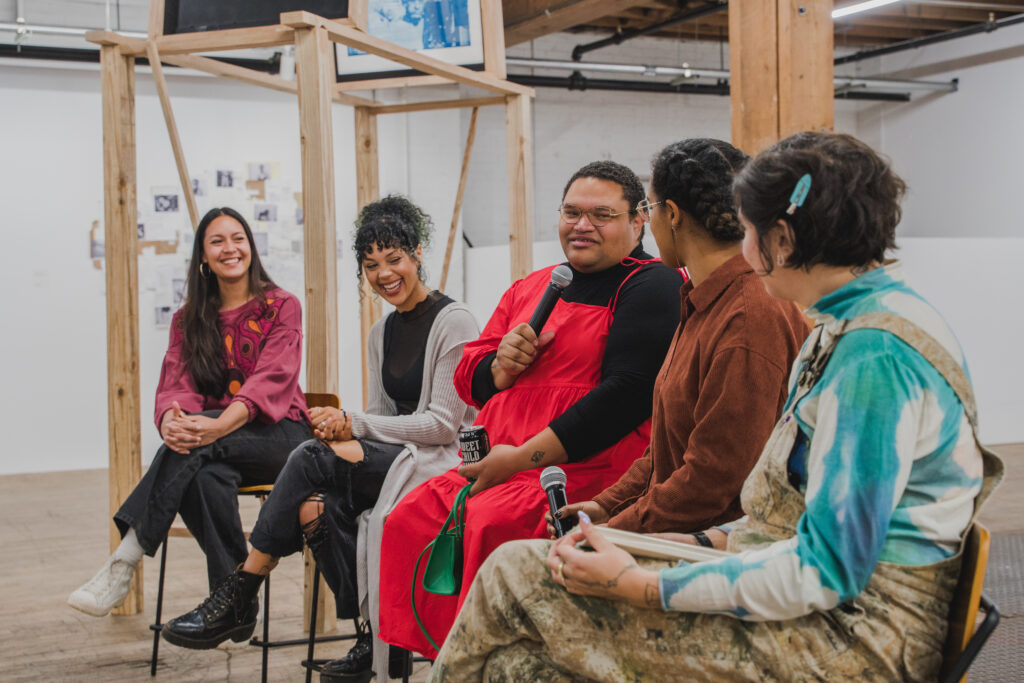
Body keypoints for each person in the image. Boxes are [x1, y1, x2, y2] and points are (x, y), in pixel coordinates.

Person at [429, 132, 1004, 681]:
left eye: (747, 228)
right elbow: (788, 517)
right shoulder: (847, 326)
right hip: (814, 602)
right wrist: (688, 543)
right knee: (513, 666)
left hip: (853, 642)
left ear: (781, 238)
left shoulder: (874, 355)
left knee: (513, 575)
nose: (741, 244)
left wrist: (643, 583)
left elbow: (825, 572)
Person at [377, 161, 684, 665]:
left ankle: (501, 664)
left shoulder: (651, 285)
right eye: (571, 213)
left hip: (578, 467)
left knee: (491, 526)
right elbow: (469, 371)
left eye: (602, 215)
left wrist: (521, 459)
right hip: (498, 465)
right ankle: (449, 661)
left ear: (640, 220)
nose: (582, 226)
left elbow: (625, 396)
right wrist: (500, 368)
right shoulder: (536, 285)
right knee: (409, 517)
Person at [159, 196, 479, 679]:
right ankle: (373, 640)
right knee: (315, 506)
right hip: (400, 457)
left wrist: (354, 423)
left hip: (443, 461)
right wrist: (353, 425)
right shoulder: (382, 332)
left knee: (310, 456)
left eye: (394, 260)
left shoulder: (453, 321)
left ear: (416, 254)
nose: (384, 274)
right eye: (371, 265)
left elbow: (442, 426)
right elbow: (381, 416)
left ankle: (240, 590)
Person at [549, 139, 809, 540]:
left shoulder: (745, 319)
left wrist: (612, 533)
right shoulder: (703, 299)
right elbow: (669, 449)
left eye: (648, 210)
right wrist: (607, 506)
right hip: (680, 530)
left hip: (716, 552)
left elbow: (711, 483)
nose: (649, 223)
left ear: (671, 214)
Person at [68, 207, 310, 617]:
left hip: (284, 435)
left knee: (199, 449)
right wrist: (171, 423)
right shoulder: (188, 320)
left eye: (238, 238)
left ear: (250, 246)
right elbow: (175, 383)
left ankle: (124, 560)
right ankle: (233, 604)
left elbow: (270, 379)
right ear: (202, 256)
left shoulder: (281, 305)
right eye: (217, 241)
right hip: (218, 445)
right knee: (204, 475)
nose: (229, 248)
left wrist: (216, 427)